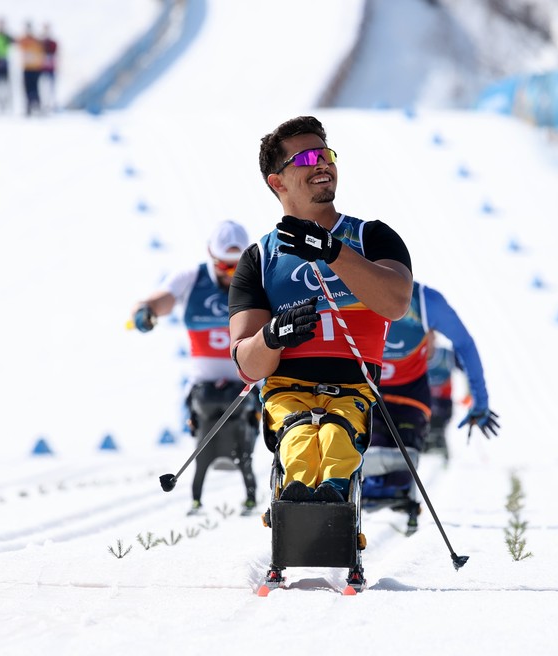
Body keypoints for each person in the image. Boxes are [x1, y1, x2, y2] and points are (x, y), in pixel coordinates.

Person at [228, 115, 413, 504]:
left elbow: (395, 302)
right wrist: (272, 335)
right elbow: (246, 363)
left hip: (354, 388)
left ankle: (332, 496)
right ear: (276, 181)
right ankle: (297, 502)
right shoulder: (259, 258)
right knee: (296, 433)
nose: (322, 163)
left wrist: (332, 251)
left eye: (325, 153)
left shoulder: (372, 237)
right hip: (286, 390)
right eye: (307, 157)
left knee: (337, 433)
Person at [132, 221, 260, 516]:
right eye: (223, 266)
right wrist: (146, 312)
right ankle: (197, 498)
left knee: (246, 444)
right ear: (210, 257)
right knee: (203, 437)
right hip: (204, 386)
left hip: (246, 385)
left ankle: (258, 495)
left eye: (236, 266)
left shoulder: (257, 279)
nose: (231, 274)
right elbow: (160, 299)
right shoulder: (191, 278)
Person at [362, 281, 498, 530]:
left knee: (399, 469)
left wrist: (480, 400)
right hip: (367, 392)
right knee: (366, 459)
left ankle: (396, 497)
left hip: (409, 395)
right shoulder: (347, 286)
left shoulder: (425, 301)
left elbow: (464, 344)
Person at [17, 22, 44, 116]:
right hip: (27, 67)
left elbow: (41, 52)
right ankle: (29, 106)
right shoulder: (24, 40)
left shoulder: (36, 40)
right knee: (27, 88)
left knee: (35, 88)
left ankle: (37, 106)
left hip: (35, 68)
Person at [40, 23, 57, 113]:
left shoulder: (52, 43)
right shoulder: (40, 43)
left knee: (51, 88)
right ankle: (44, 104)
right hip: (43, 69)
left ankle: (51, 104)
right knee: (44, 87)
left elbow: (55, 53)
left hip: (51, 68)